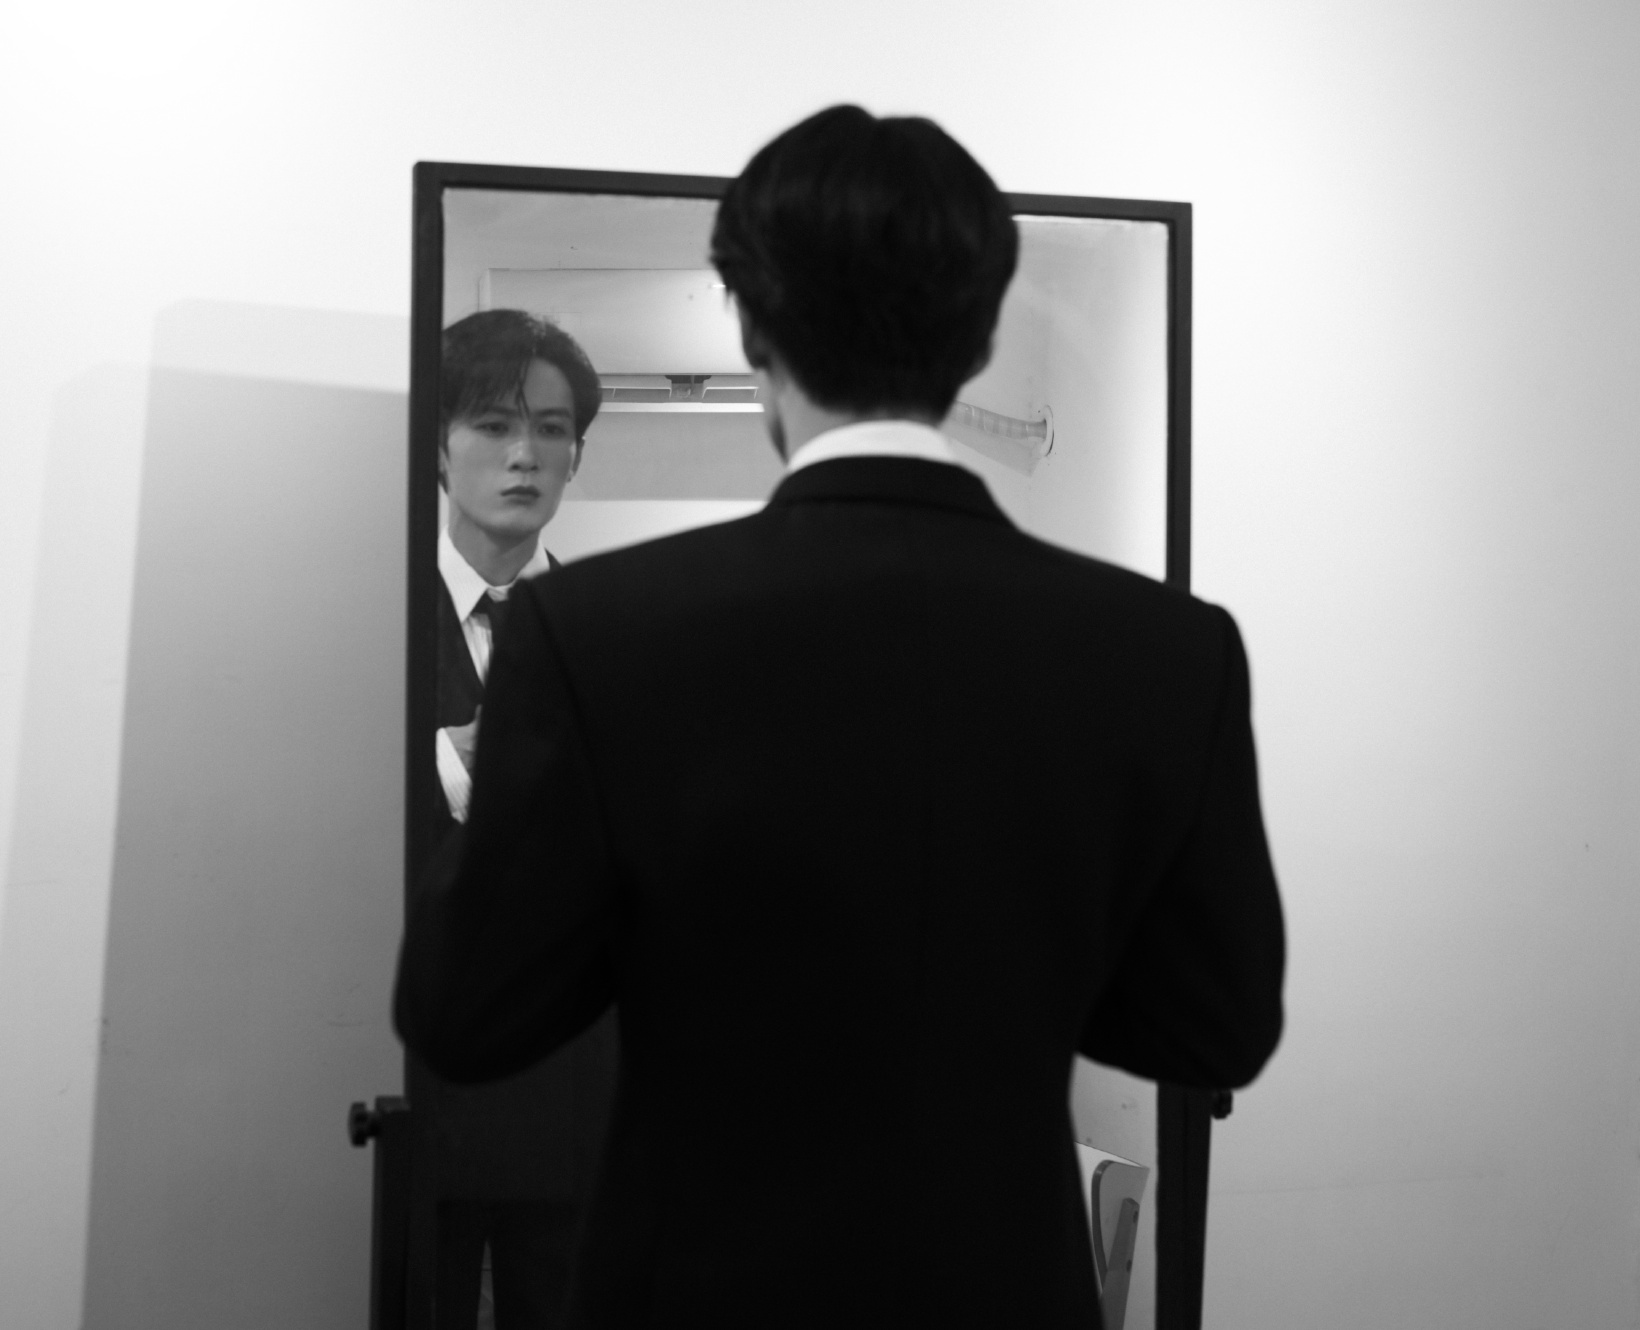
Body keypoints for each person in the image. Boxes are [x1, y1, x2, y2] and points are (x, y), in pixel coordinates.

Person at [396, 106, 1285, 1329]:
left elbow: (464, 1013)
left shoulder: (596, 636)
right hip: (1001, 1289)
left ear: (753, 330)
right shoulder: (1167, 651)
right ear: (979, 335)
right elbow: (1211, 1028)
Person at [421, 308, 618, 1330]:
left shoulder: (619, 637)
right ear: (437, 446)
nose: (525, 454)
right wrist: (447, 765)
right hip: (408, 1073)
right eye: (494, 425)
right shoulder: (362, 620)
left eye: (550, 428)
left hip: (572, 1086)